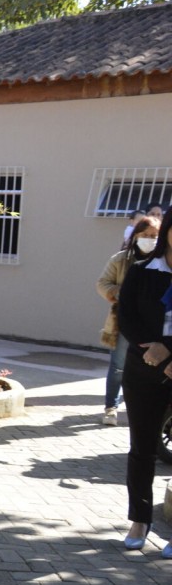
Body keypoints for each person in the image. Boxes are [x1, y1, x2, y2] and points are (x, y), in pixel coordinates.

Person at [116, 210, 172, 556]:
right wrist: (159, 355)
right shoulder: (141, 272)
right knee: (142, 449)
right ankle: (139, 518)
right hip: (143, 369)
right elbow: (126, 318)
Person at [98, 215, 159, 424]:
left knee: (150, 366)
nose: (150, 239)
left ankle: (146, 410)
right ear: (136, 236)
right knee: (118, 366)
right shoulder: (120, 259)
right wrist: (121, 292)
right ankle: (111, 408)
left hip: (153, 325)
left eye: (154, 236)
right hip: (124, 321)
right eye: (146, 235)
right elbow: (102, 284)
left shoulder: (163, 261)